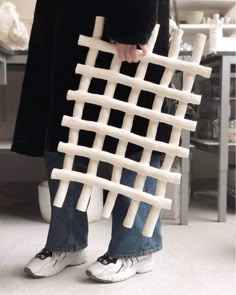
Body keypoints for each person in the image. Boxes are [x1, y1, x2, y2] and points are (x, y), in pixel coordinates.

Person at [11, 0, 170, 283]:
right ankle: (66, 242)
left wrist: (132, 26)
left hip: (115, 27)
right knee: (66, 132)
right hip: (68, 25)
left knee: (132, 131)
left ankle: (136, 247)